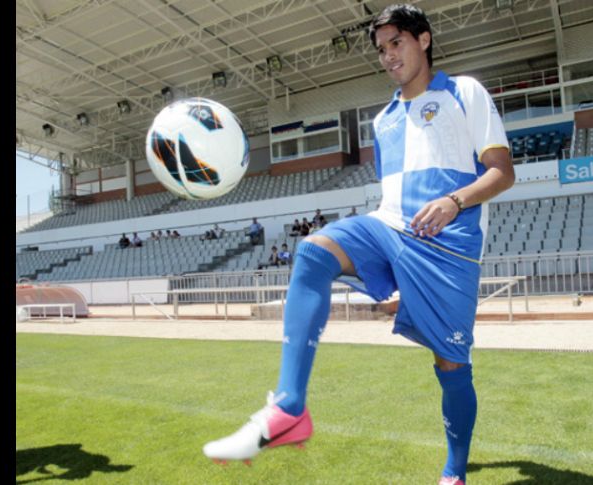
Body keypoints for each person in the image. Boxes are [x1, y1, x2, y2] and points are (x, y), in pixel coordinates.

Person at [203, 6, 515, 485]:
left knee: (452, 363)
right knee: (312, 252)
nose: (388, 56)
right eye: (382, 49)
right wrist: (391, 267)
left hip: (447, 250)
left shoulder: (464, 91)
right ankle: (289, 408)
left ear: (424, 40)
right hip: (389, 226)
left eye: (397, 43)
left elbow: (502, 172)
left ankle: (454, 472)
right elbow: (394, 195)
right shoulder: (383, 119)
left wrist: (454, 201)